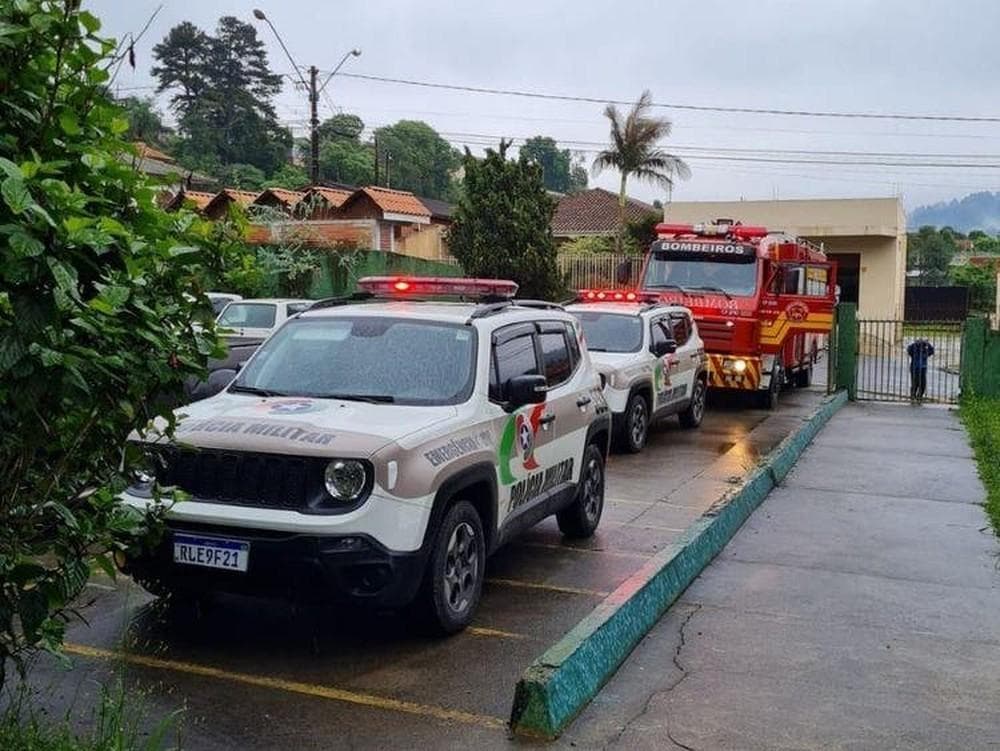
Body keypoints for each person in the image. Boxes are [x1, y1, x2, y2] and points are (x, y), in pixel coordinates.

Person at [906, 338, 935, 403]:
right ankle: (913, 396)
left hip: (923, 368)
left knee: (923, 384)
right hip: (914, 368)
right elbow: (909, 350)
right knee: (915, 384)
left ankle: (919, 396)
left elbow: (932, 351)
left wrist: (927, 344)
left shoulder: (925, 350)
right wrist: (915, 344)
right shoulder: (914, 349)